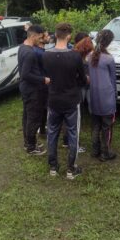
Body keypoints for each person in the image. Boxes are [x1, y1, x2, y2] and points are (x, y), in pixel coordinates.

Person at [42, 23, 86, 179]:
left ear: (55, 34)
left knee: (52, 132)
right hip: (71, 101)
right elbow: (82, 79)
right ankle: (71, 169)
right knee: (73, 133)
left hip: (54, 99)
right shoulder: (75, 56)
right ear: (68, 36)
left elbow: (46, 76)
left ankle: (53, 167)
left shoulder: (46, 55)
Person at [18, 25, 50, 155]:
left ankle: (28, 142)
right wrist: (43, 80)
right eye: (40, 37)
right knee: (33, 118)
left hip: (26, 89)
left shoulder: (22, 47)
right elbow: (25, 74)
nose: (41, 39)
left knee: (27, 116)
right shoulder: (30, 53)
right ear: (34, 36)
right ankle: (31, 147)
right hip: (33, 90)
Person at [88, 30, 117, 161]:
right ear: (109, 42)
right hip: (107, 98)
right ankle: (106, 153)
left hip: (94, 97)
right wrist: (115, 97)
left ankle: (95, 150)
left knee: (95, 125)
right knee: (107, 126)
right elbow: (113, 81)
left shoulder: (90, 56)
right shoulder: (109, 59)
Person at [33, 30, 51, 136]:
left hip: (42, 83)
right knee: (42, 108)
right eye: (47, 36)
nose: (49, 37)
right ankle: (40, 129)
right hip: (42, 84)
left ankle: (42, 129)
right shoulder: (39, 53)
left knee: (44, 108)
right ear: (40, 38)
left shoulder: (41, 51)